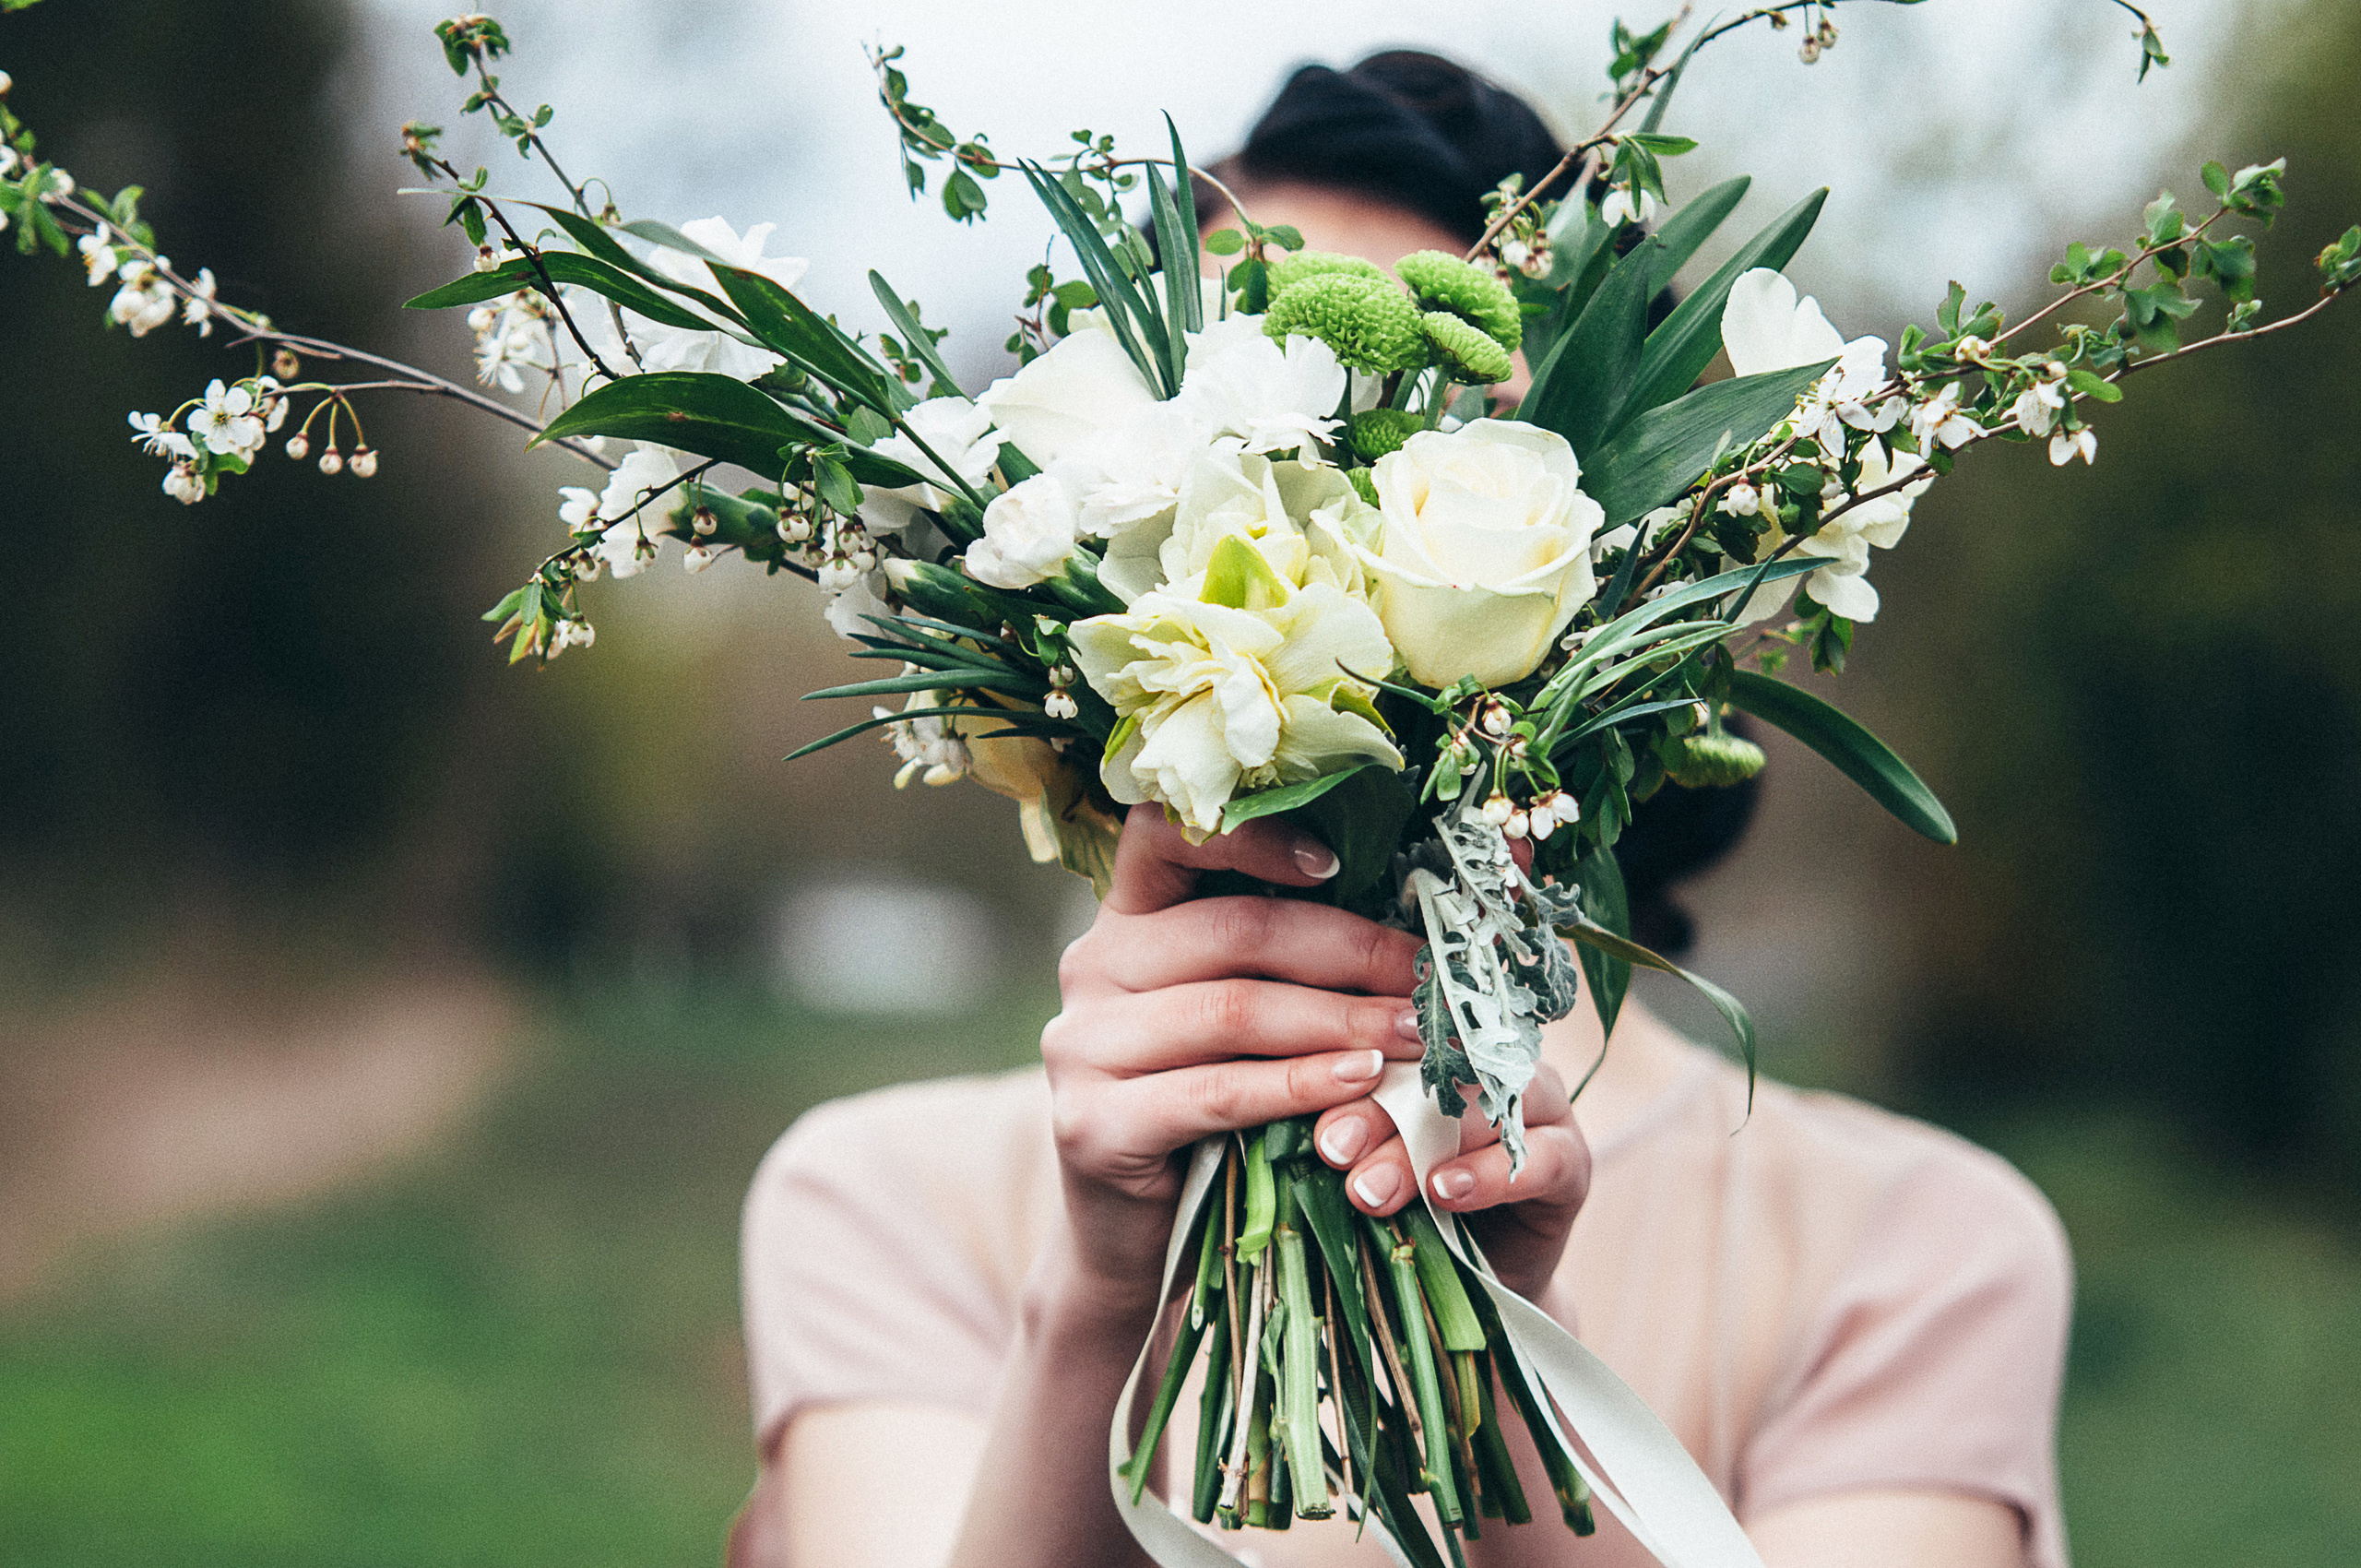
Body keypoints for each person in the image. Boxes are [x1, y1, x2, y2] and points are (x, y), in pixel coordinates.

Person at [730, 53, 2072, 1568]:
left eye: (1434, 426)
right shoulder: (879, 1202)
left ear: (1638, 562)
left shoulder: (1916, 1251)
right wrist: (1098, 1306)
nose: (1321, 488)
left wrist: (1508, 1355)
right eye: (1226, 418)